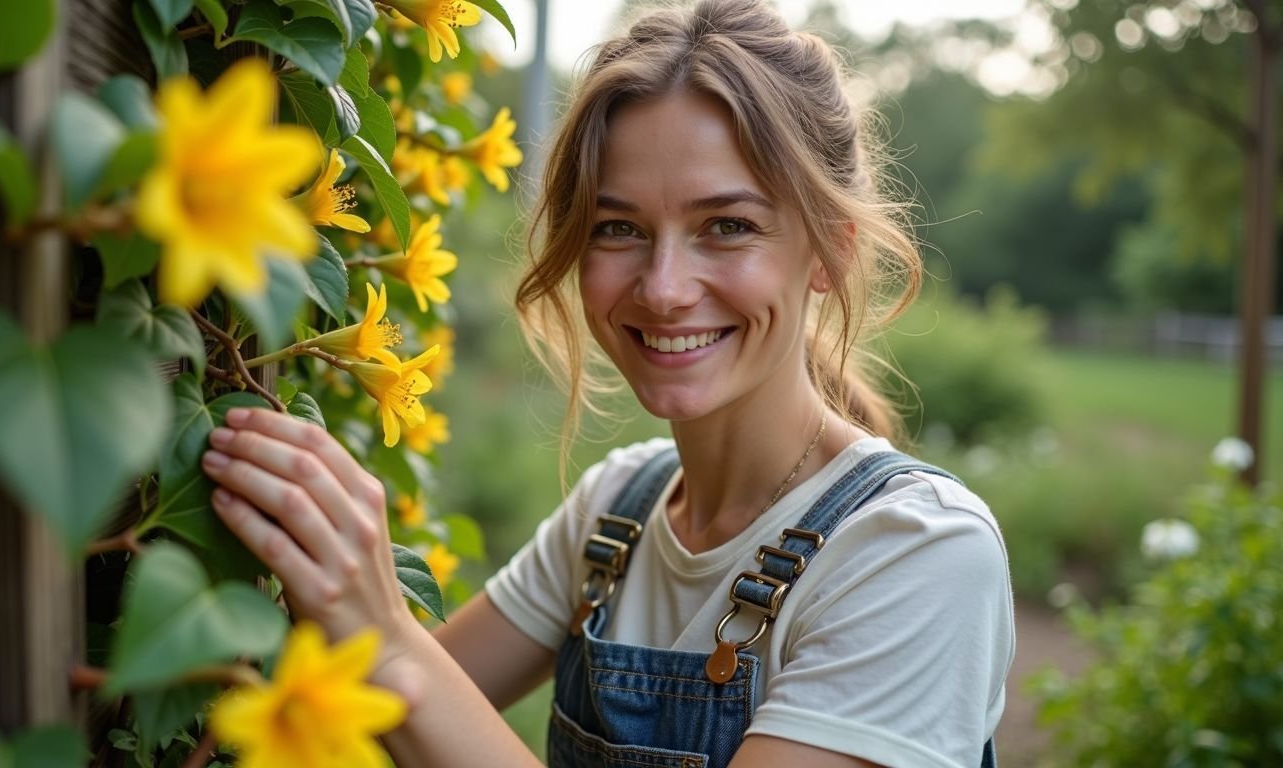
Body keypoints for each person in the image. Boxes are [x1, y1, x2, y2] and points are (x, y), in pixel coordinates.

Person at [200, 1, 1016, 766]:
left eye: (726, 227)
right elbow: (383, 732)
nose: (662, 288)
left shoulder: (916, 556)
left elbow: (405, 687)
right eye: (617, 228)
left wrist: (382, 634)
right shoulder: (615, 512)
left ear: (831, 253)